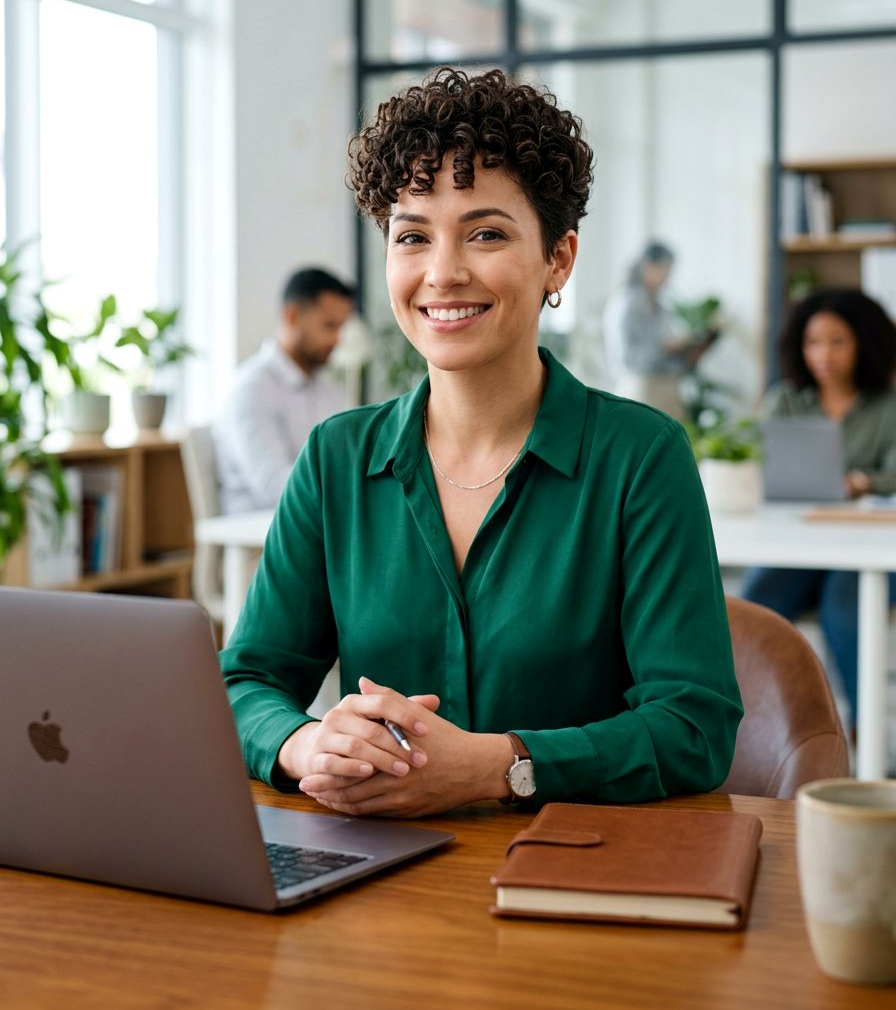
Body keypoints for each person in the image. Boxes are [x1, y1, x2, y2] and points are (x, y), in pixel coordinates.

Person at [219, 67, 742, 818]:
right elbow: (246, 682)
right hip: (375, 878)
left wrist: (502, 767)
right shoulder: (336, 458)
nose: (443, 272)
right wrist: (306, 747)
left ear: (558, 258)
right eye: (413, 237)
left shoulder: (640, 458)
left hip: (578, 880)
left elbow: (694, 727)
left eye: (486, 233)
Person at [741, 288, 896, 728]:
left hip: (871, 547)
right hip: (803, 543)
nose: (823, 354)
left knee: (845, 606)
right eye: (813, 342)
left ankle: (863, 731)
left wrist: (863, 482)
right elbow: (755, 460)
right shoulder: (786, 400)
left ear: (865, 342)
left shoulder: (888, 405)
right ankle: (747, 730)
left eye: (837, 341)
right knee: (754, 604)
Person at [213, 267, 354, 513]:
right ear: (291, 316)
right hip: (262, 527)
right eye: (329, 326)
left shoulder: (326, 388)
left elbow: (350, 457)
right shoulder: (252, 389)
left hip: (318, 518)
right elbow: (273, 486)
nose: (337, 340)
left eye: (341, 327)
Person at [602, 241, 716, 418]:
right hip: (642, 388)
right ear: (647, 266)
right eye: (664, 269)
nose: (666, 276)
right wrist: (675, 344)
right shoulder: (630, 302)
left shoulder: (657, 303)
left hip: (664, 387)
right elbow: (638, 353)